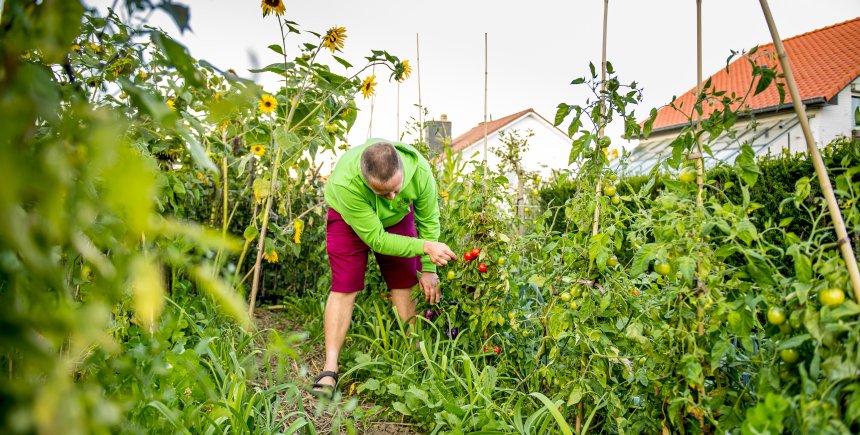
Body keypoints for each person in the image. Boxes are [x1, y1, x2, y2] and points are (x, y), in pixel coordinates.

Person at [311, 138, 458, 398]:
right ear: (366, 181)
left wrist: (428, 269)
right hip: (350, 218)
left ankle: (416, 359)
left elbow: (429, 220)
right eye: (383, 194)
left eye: (396, 190)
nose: (391, 198)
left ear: (402, 170)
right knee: (345, 286)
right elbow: (377, 239)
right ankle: (330, 368)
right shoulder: (347, 183)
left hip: (397, 220)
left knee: (404, 282)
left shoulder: (420, 171)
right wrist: (424, 248)